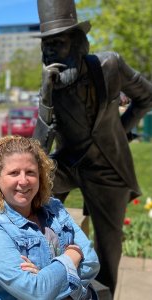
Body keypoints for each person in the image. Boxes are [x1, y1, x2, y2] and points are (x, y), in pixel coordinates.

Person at [32, 0, 152, 295]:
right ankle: (45, 281)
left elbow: (146, 97)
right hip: (70, 164)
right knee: (30, 190)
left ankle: (104, 294)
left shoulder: (110, 66)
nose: (49, 52)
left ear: (76, 44)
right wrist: (46, 100)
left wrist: (121, 133)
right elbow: (37, 151)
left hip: (107, 169)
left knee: (108, 248)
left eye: (56, 43)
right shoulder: (50, 85)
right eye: (45, 45)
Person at [0, 136, 100, 299]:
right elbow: (36, 292)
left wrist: (44, 278)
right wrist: (71, 256)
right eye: (14, 173)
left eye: (30, 172)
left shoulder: (54, 209)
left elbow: (91, 262)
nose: (23, 181)